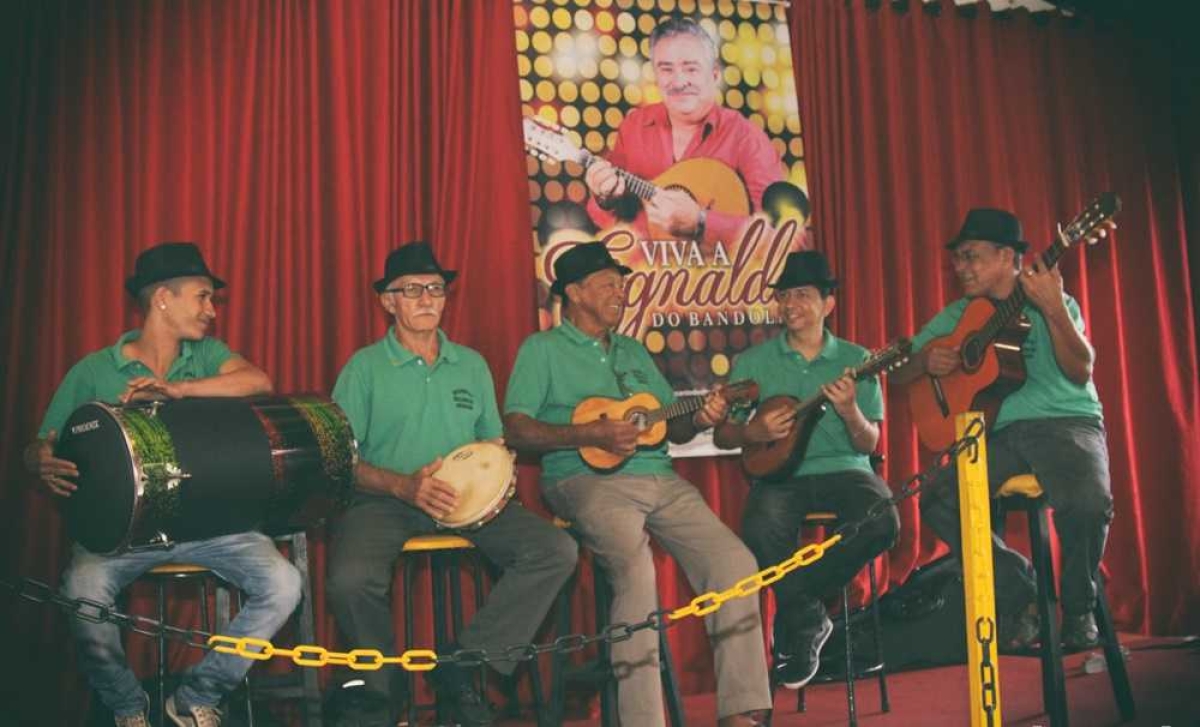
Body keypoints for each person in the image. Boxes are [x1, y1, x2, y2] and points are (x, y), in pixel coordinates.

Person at [24, 242, 299, 727]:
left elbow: (258, 382)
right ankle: (127, 706)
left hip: (212, 525)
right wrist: (40, 460)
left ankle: (198, 696)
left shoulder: (208, 356)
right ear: (163, 299)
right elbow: (40, 444)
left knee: (284, 583)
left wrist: (178, 390)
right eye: (202, 297)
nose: (212, 311)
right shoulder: (95, 369)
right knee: (82, 590)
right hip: (124, 536)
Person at [503, 241, 772, 727]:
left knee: (735, 562)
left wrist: (705, 415)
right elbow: (516, 429)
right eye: (608, 283)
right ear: (574, 292)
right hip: (585, 481)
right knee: (636, 574)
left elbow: (673, 423)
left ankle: (740, 710)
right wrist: (589, 433)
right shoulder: (540, 349)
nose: (620, 292)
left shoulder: (631, 350)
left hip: (659, 478)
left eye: (622, 284)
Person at [325, 241, 578, 727]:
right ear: (388, 301)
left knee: (555, 550)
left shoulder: (472, 364)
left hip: (467, 500)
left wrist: (493, 473)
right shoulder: (363, 368)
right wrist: (403, 486)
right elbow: (342, 459)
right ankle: (383, 690)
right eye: (412, 289)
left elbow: (492, 444)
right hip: (386, 499)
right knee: (350, 579)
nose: (426, 298)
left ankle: (461, 663)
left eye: (435, 288)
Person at [893, 208, 1113, 651]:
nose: (961, 267)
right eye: (957, 259)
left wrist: (1053, 307)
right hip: (998, 434)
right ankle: (1022, 592)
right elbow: (899, 374)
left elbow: (1080, 369)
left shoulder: (1053, 298)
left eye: (971, 256)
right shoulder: (957, 315)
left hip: (1065, 423)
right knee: (937, 497)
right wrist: (925, 362)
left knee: (1088, 501)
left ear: (1008, 256)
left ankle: (1078, 607)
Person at [713, 250, 900, 689]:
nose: (790, 304)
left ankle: (801, 609)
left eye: (802, 294)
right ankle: (810, 615)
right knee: (759, 529)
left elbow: (869, 443)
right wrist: (752, 430)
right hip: (781, 479)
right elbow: (724, 436)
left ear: (828, 304)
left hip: (847, 469)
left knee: (882, 522)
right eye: (784, 295)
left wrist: (851, 410)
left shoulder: (858, 360)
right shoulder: (754, 363)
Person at [584, 17, 784, 244]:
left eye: (691, 69)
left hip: (720, 276)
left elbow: (780, 235)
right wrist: (604, 199)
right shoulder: (634, 127)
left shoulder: (747, 139)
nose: (679, 82)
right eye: (666, 69)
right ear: (656, 76)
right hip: (651, 275)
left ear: (715, 75)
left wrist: (702, 222)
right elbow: (614, 222)